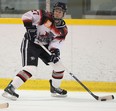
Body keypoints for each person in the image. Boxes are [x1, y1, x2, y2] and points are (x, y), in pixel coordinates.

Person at [2, 2, 68, 100]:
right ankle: (10, 88)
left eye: (60, 11)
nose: (57, 13)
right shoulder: (44, 16)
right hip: (31, 43)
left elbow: (56, 43)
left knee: (59, 66)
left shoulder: (63, 30)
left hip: (44, 46)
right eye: (56, 11)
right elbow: (26, 16)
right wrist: (30, 28)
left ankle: (55, 88)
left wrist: (54, 52)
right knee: (31, 68)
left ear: (64, 14)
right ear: (53, 11)